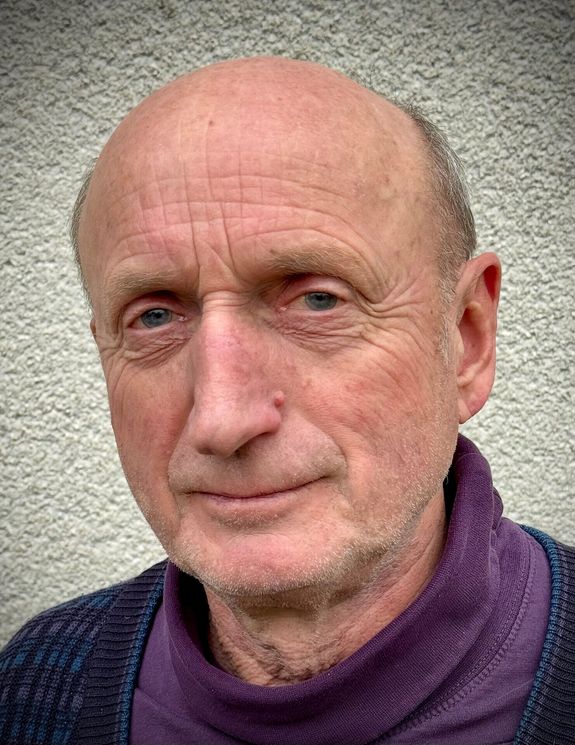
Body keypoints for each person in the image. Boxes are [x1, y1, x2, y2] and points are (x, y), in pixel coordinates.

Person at [1, 56, 573, 745]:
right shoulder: (31, 689)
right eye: (154, 317)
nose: (222, 418)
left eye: (317, 300)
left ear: (466, 338)